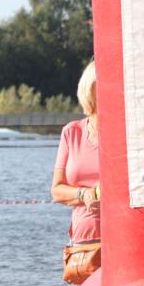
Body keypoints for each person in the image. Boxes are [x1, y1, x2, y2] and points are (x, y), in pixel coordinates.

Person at [52, 60, 100, 251]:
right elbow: (57, 190)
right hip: (83, 245)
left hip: (122, 241)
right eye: (102, 85)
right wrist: (84, 194)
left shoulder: (126, 132)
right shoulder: (72, 132)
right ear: (89, 90)